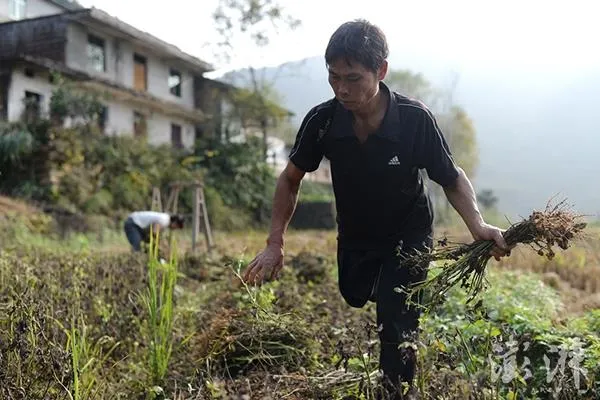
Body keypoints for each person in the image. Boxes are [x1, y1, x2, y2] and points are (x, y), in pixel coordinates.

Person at [242, 19, 510, 399]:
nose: (342, 89)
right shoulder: (323, 120)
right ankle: (384, 296)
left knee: (396, 323)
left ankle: (396, 390)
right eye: (333, 77)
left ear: (380, 70)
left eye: (353, 78)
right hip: (356, 233)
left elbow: (450, 177)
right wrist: (274, 242)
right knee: (354, 293)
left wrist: (478, 225)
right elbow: (290, 178)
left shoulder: (414, 120)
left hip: (409, 233)